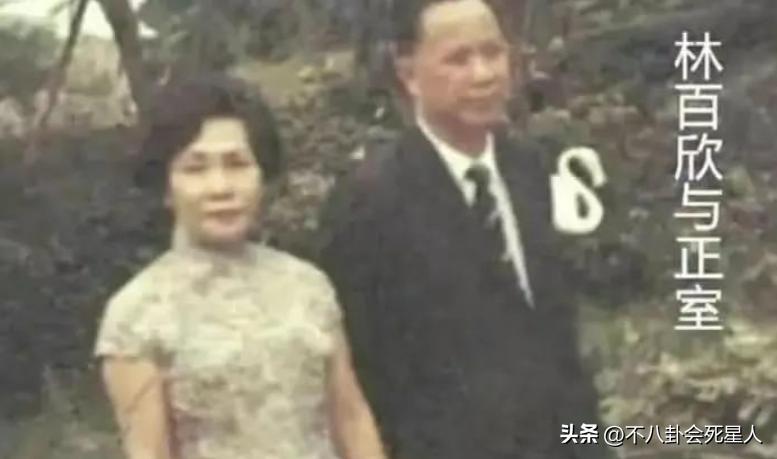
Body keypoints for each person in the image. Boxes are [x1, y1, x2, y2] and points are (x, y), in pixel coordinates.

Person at [318, 1, 613, 458]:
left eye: (492, 53)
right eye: (459, 59)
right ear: (409, 74)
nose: (483, 75)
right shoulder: (369, 202)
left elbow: (558, 343)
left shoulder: (532, 169)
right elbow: (363, 379)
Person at [94, 75, 386, 459]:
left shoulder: (308, 286)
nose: (220, 187)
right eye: (195, 168)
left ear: (262, 176)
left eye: (237, 164)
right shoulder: (137, 314)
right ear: (165, 187)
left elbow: (351, 419)